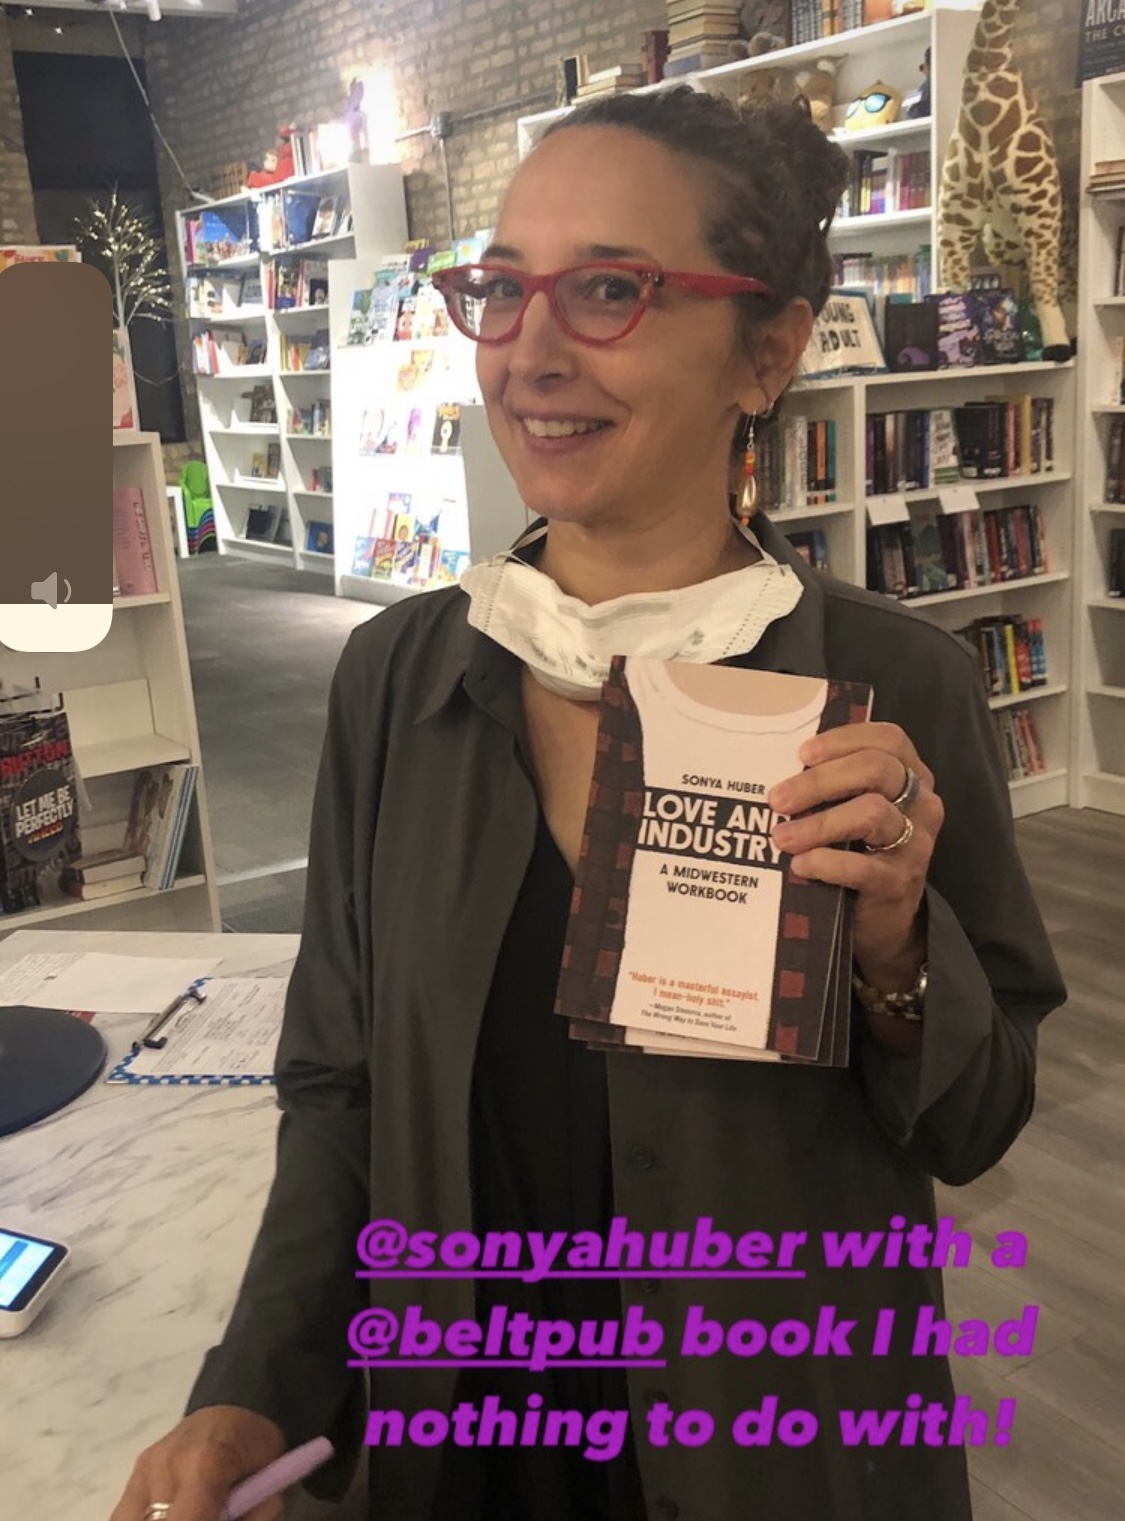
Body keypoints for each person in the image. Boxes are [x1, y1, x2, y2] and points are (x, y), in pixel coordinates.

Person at [111, 87, 1065, 1521]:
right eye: (500, 289)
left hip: (778, 1452)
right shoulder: (398, 679)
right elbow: (340, 1087)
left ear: (770, 351)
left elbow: (974, 1122)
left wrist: (893, 955)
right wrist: (254, 1382)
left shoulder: (892, 687)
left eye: (609, 288)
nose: (529, 350)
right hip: (462, 1453)